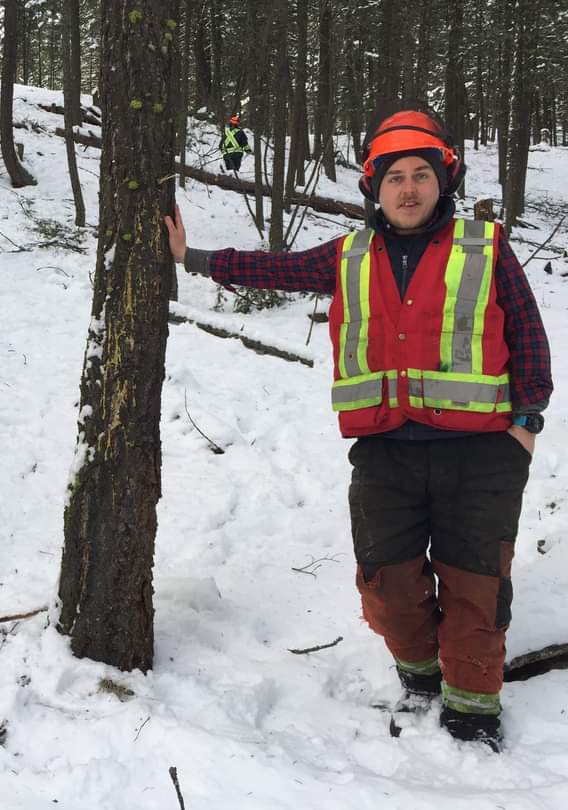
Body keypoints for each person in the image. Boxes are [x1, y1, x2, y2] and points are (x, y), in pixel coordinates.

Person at [164, 109, 553, 752]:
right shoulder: (349, 254)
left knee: (476, 588)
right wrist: (193, 256)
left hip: (483, 456)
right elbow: (275, 271)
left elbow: (531, 343)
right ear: (374, 188)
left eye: (420, 175)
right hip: (385, 455)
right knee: (388, 585)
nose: (408, 188)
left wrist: (525, 425)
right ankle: (421, 677)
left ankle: (474, 708)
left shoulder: (486, 247)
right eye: (395, 176)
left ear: (441, 181)